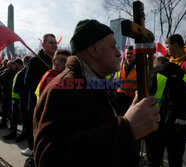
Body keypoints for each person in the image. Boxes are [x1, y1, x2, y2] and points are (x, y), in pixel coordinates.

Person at [33, 19, 160, 167]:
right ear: (93, 50)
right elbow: (49, 159)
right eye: (113, 47)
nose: (119, 53)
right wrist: (127, 128)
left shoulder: (92, 83)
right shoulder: (62, 90)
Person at [145, 57, 186, 167]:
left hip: (157, 126)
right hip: (181, 127)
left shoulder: (156, 77)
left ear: (157, 66)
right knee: (176, 162)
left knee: (153, 162)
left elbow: (145, 101)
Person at [22, 34, 57, 156]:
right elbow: (28, 83)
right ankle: (34, 150)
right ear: (43, 45)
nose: (54, 45)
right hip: (38, 102)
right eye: (51, 43)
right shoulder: (35, 61)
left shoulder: (58, 60)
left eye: (55, 42)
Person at [3, 59, 24, 140]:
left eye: (13, 64)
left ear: (18, 64)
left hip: (20, 100)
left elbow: (22, 88)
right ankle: (13, 133)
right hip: (15, 99)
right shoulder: (16, 72)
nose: (12, 66)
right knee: (13, 117)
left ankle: (22, 134)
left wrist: (21, 100)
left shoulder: (22, 73)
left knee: (22, 119)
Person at [115, 45, 137, 115]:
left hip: (132, 99)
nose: (128, 55)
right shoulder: (121, 65)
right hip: (119, 98)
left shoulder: (140, 68)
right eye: (127, 53)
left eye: (131, 53)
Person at [0, 60, 17, 129]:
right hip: (5, 93)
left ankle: (12, 126)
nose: (9, 67)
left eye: (10, 65)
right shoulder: (6, 72)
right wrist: (3, 73)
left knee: (11, 111)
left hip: (12, 94)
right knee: (4, 110)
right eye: (8, 65)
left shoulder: (16, 72)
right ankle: (3, 123)